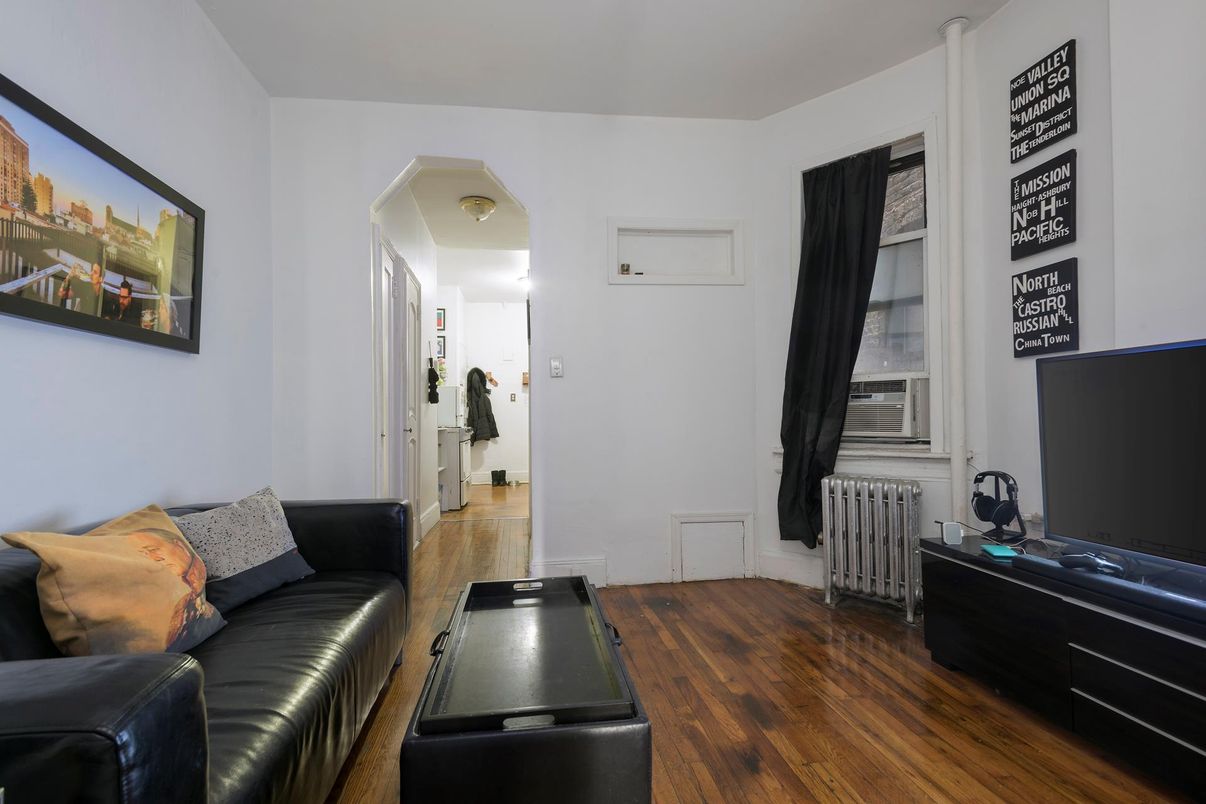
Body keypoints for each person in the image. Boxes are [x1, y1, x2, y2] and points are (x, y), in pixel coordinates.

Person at [126, 528, 216, 651]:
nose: (153, 558)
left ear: (180, 545)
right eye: (145, 554)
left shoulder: (188, 602)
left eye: (153, 549)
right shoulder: (183, 605)